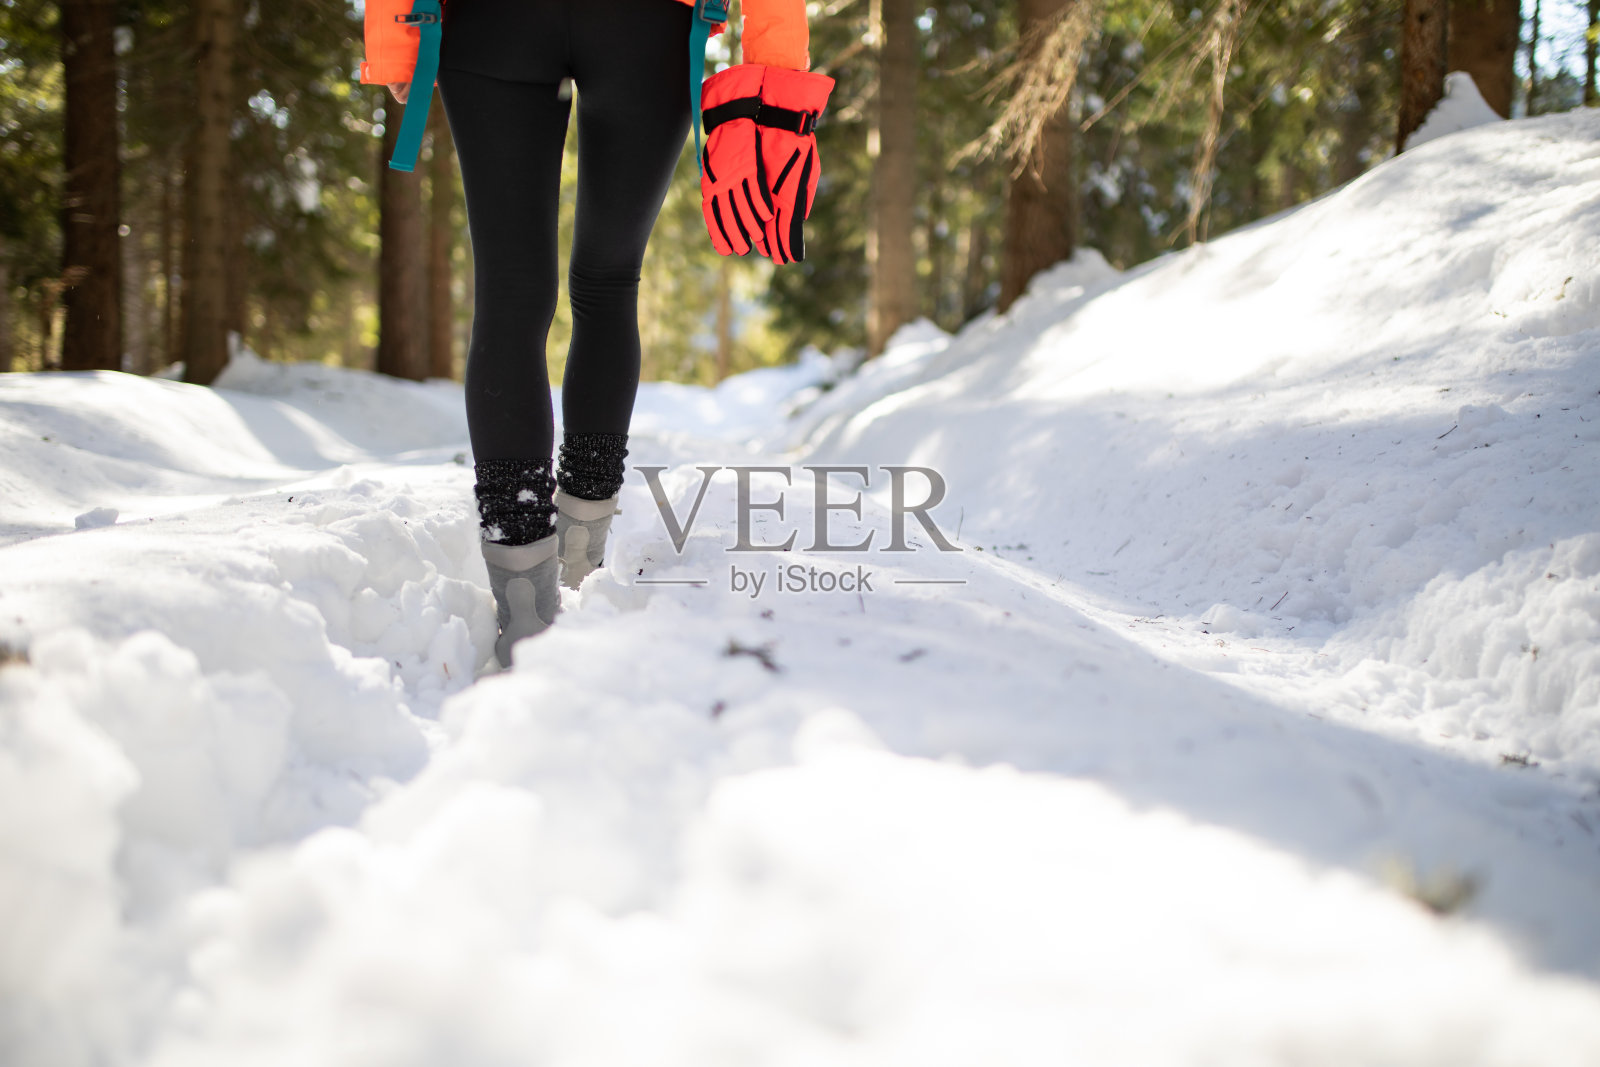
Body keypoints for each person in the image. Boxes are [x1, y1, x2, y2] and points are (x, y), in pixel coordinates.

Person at [360, 0, 834, 667]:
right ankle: (583, 545)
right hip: (643, 26)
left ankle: (524, 602)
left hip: (495, 24)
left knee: (510, 291)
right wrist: (776, 63)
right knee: (609, 282)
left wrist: (392, 39)